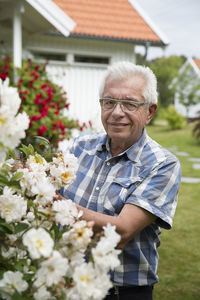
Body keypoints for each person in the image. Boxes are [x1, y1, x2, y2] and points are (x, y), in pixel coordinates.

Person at [60, 61, 181, 300]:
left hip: (120, 293)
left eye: (129, 103)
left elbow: (122, 230)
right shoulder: (77, 147)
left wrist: (54, 206)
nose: (116, 112)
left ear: (150, 111)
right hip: (68, 284)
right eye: (109, 102)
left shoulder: (163, 165)